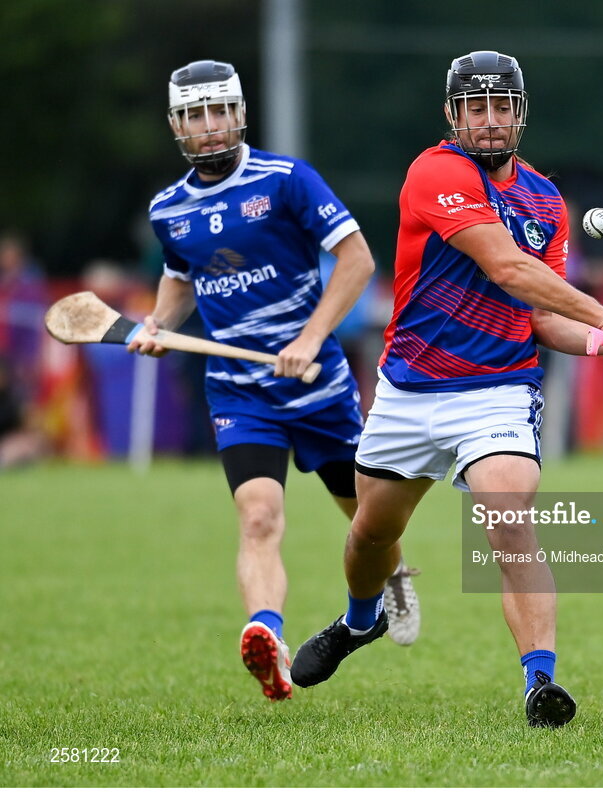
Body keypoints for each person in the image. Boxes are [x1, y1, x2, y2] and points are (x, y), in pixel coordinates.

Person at [289, 50, 603, 727]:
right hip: (411, 388)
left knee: (508, 516)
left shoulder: (545, 200)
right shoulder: (435, 172)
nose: (490, 120)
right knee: (371, 535)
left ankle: (540, 681)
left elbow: (542, 317)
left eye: (502, 107)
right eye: (476, 107)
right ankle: (361, 620)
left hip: (497, 390)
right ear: (453, 114)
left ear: (521, 114)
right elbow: (507, 268)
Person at [127, 59, 421, 701]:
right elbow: (180, 279)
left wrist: (311, 336)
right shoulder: (168, 209)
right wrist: (157, 323)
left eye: (219, 111)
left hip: (318, 386)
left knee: (368, 522)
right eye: (194, 115)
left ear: (239, 113)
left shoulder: (287, 180)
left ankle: (394, 581)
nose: (209, 125)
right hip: (239, 391)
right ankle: (268, 636)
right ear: (176, 125)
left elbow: (357, 259)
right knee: (258, 517)